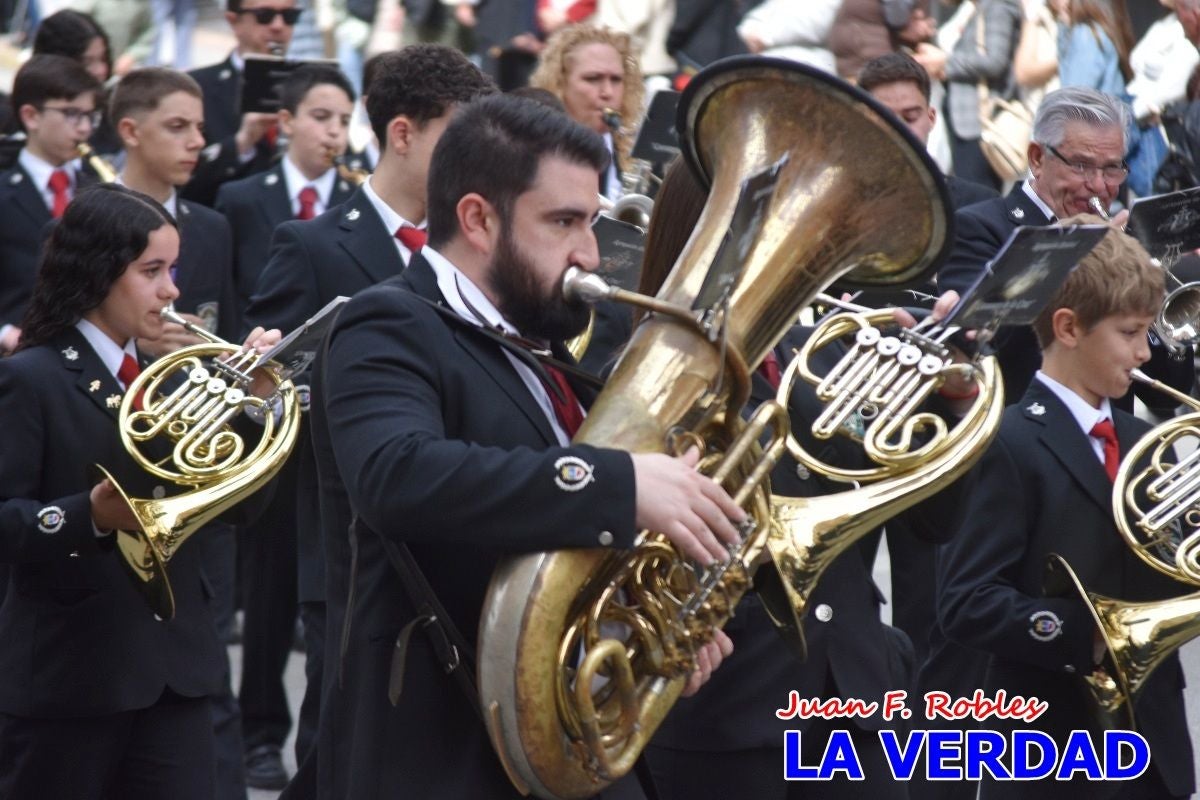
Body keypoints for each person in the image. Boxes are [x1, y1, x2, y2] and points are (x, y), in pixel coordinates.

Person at [303, 92, 740, 799]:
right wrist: (621, 486)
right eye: (563, 221)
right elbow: (395, 475)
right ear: (478, 218)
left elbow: (556, 545)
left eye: (591, 222)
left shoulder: (545, 351)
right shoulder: (388, 323)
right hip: (441, 754)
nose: (591, 253)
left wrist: (656, 630)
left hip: (563, 739)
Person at [244, 43, 495, 791]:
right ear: (404, 133)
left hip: (452, 533)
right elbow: (269, 398)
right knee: (339, 739)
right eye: (459, 137)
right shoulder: (313, 242)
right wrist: (271, 376)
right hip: (348, 541)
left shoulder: (469, 247)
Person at [0, 183, 280, 800]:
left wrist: (254, 410)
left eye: (173, 270)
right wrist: (88, 517)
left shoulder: (173, 380)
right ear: (100, 272)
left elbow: (246, 510)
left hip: (176, 671)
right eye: (151, 271)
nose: (172, 291)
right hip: (72, 678)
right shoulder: (32, 378)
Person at [936, 221, 1195, 799]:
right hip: (1056, 750)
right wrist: (1089, 635)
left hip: (1154, 745)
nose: (1144, 352)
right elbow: (964, 601)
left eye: (1147, 332)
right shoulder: (1007, 443)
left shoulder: (1135, 438)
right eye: (1130, 332)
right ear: (1068, 327)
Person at [108, 68, 248, 798]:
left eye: (200, 126)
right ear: (130, 131)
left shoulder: (214, 226)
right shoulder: (92, 220)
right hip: (116, 461)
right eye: (178, 126)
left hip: (197, 467)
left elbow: (219, 324)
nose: (199, 140)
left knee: (204, 665)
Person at [935, 85, 1192, 413]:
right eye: (1081, 166)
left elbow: (1169, 392)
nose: (1099, 185)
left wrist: (1148, 290)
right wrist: (1075, 259)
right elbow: (989, 353)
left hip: (1119, 447)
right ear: (1038, 158)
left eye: (1112, 168)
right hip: (1028, 446)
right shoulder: (979, 228)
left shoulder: (1121, 238)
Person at [216, 64, 358, 323]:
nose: (335, 131)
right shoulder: (241, 198)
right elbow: (226, 292)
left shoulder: (359, 200)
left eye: (345, 121)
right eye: (321, 116)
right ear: (286, 121)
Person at [0, 54, 101, 356]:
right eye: (72, 114)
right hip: (17, 357)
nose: (84, 128)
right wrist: (5, 333)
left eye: (90, 116)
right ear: (31, 116)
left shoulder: (98, 189)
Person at [182, 0, 301, 207]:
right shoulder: (195, 87)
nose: (278, 25)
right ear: (233, 20)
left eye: (290, 16)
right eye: (264, 15)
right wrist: (241, 143)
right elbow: (181, 179)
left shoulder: (314, 86)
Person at [914, 0, 1023, 190]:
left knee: (979, 195)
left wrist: (944, 62)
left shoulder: (998, 6)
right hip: (968, 121)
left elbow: (994, 61)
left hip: (981, 123)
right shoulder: (978, 8)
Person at [530, 24, 644, 204]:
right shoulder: (532, 149)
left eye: (616, 80)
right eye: (593, 78)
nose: (607, 92)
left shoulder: (635, 154)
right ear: (560, 82)